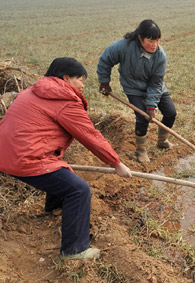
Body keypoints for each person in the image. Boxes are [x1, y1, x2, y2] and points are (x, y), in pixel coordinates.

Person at [0, 57, 132, 260]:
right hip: (24, 158)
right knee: (79, 190)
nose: (82, 85)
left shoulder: (31, 92)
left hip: (7, 154)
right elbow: (90, 135)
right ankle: (74, 250)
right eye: (81, 80)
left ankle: (53, 208)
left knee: (59, 169)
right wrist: (116, 163)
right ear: (66, 78)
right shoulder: (63, 100)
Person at [97, 19, 177, 163]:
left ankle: (162, 141)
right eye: (150, 41)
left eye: (157, 41)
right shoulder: (123, 46)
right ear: (140, 37)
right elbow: (105, 60)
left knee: (171, 113)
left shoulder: (160, 55)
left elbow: (156, 82)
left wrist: (151, 106)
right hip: (133, 88)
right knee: (143, 117)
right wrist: (104, 82)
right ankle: (141, 150)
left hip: (155, 87)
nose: (154, 45)